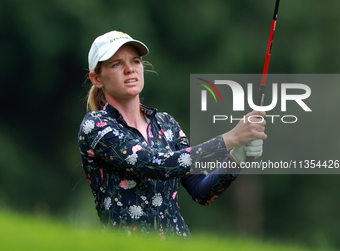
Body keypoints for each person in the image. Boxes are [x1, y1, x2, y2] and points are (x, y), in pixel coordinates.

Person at [78, 30, 267, 240]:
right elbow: (157, 165)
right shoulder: (96, 126)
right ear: (96, 78)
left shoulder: (166, 124)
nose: (130, 69)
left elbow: (201, 191)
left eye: (135, 61)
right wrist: (230, 138)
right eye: (117, 64)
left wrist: (236, 157)